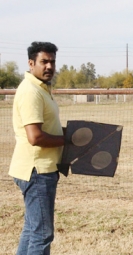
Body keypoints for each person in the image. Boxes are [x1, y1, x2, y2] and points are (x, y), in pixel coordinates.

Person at [9, 42, 65, 254]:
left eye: (52, 61)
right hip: (36, 170)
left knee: (32, 229)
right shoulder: (31, 91)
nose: (49, 66)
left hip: (39, 168)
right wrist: (68, 140)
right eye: (44, 62)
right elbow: (35, 137)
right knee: (42, 234)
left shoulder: (40, 88)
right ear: (31, 63)